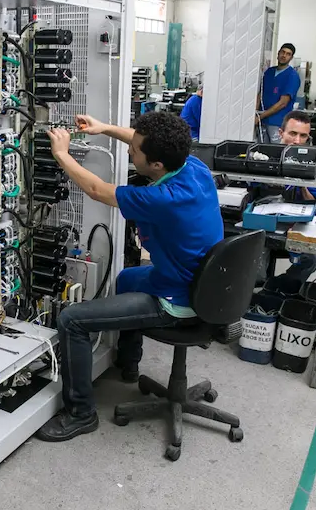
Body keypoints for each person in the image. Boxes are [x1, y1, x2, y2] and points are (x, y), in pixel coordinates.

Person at [36, 112, 223, 442]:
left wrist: (62, 154)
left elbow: (97, 190)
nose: (128, 150)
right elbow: (146, 144)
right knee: (127, 278)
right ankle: (129, 362)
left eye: (134, 151)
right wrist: (105, 128)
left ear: (156, 165)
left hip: (177, 299)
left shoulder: (164, 199)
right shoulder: (192, 167)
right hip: (200, 281)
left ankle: (81, 413)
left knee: (72, 320)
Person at [271, 110, 316, 283]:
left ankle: (278, 287)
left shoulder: (312, 165)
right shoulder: (264, 157)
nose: (297, 141)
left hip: (293, 226)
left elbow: (315, 204)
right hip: (263, 223)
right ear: (281, 133)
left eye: (303, 136)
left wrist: (302, 184)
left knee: (311, 259)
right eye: (292, 134)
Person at [256, 43, 300, 143]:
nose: (284, 55)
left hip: (277, 123)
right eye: (282, 52)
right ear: (278, 53)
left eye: (288, 54)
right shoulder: (269, 72)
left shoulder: (292, 76)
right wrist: (255, 114)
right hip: (262, 122)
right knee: (260, 150)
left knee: (275, 150)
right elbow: (260, 94)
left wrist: (260, 117)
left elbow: (282, 103)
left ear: (291, 58)